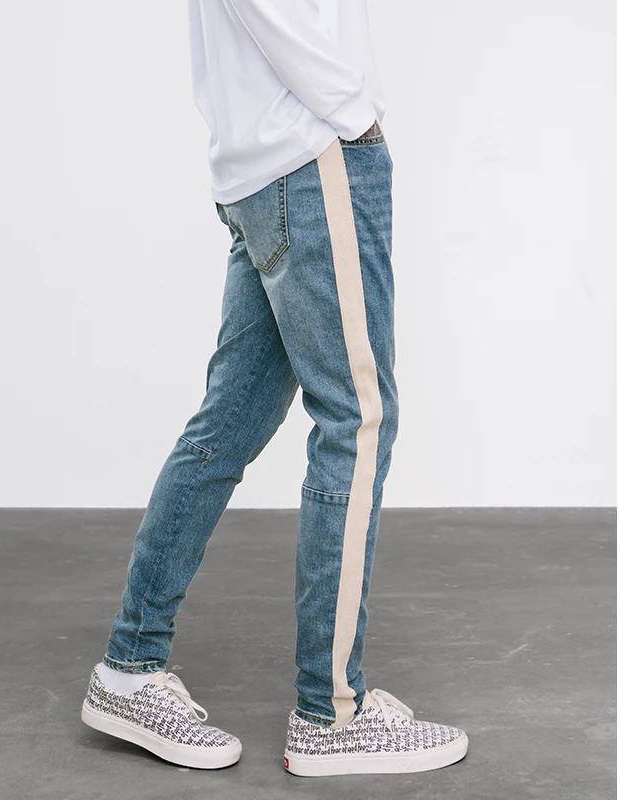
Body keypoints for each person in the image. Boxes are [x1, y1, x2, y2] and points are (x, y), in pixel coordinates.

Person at [80, 0, 468, 777]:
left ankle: (128, 669)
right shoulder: (324, 133)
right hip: (311, 157)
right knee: (357, 420)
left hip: (260, 168)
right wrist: (354, 117)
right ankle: (332, 714)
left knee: (228, 422)